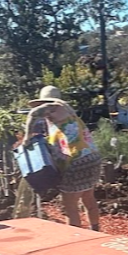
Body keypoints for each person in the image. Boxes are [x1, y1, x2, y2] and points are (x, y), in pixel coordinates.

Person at [23, 86, 103, 231]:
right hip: (91, 158)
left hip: (76, 162)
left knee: (70, 206)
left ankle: (76, 238)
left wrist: (27, 136)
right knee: (88, 198)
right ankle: (96, 231)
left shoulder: (54, 107)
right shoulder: (67, 113)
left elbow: (34, 114)